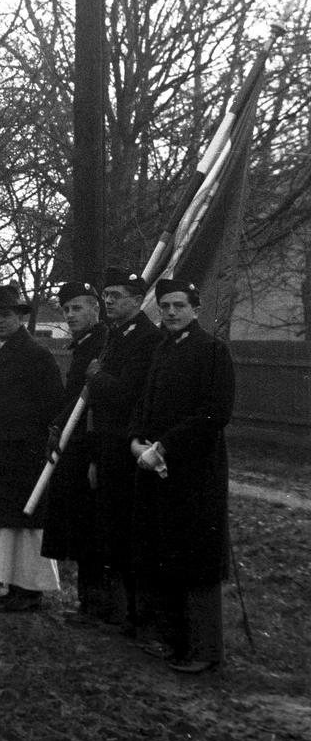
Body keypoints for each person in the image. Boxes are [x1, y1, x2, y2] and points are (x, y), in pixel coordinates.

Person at [129, 278, 234, 674]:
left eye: (179, 305)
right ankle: (175, 641)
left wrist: (165, 446)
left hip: (196, 473)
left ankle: (204, 650)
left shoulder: (212, 350)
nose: (171, 312)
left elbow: (214, 414)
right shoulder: (162, 350)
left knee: (197, 558)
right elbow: (144, 405)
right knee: (165, 553)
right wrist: (136, 441)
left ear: (195, 309)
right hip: (157, 470)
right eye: (166, 306)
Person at [0, 284, 64, 613]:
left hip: (24, 454)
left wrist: (35, 440)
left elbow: (52, 405)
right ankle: (12, 586)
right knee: (7, 524)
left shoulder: (36, 354)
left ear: (19, 317)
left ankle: (30, 590)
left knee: (25, 526)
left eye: (6, 315)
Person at [85, 266, 163, 635]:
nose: (109, 302)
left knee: (127, 530)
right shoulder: (116, 335)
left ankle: (135, 616)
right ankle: (117, 611)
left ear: (138, 299)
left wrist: (96, 376)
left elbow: (126, 392)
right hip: (107, 444)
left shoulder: (146, 338)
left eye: (117, 296)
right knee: (110, 528)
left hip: (126, 445)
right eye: (106, 296)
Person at [40, 282, 108, 623]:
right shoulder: (84, 345)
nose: (70, 315)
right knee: (81, 526)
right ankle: (88, 602)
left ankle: (96, 605)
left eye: (77, 308)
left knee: (91, 528)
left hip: (90, 445)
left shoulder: (103, 345)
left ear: (96, 309)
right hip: (74, 444)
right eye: (66, 309)